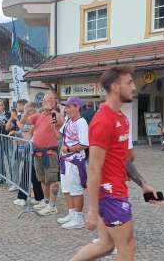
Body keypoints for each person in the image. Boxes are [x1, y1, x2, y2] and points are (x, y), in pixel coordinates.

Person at [71, 66, 138, 261]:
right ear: (116, 87)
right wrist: (92, 210)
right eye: (129, 82)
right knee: (127, 247)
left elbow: (123, 158)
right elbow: (93, 167)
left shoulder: (122, 118)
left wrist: (142, 184)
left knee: (106, 245)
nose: (134, 87)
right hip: (110, 194)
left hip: (116, 189)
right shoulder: (103, 121)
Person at [21, 92, 63, 216]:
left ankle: (52, 205)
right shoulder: (39, 115)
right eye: (44, 100)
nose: (45, 102)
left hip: (50, 152)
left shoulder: (55, 114)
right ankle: (46, 201)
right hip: (38, 152)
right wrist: (25, 111)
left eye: (49, 100)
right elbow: (24, 122)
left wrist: (52, 109)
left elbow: (58, 121)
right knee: (43, 179)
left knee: (53, 179)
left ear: (54, 102)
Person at [54, 96, 89, 230]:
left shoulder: (82, 122)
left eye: (69, 106)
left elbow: (85, 144)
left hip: (75, 160)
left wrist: (68, 149)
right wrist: (53, 126)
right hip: (65, 159)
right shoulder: (68, 120)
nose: (66, 109)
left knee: (76, 190)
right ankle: (71, 214)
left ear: (77, 107)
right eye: (66, 106)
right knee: (67, 188)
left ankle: (78, 218)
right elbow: (59, 136)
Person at [9, 102, 45, 206]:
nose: (25, 111)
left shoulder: (36, 118)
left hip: (35, 148)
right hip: (31, 148)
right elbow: (23, 125)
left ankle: (23, 197)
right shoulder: (31, 118)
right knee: (32, 174)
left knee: (29, 173)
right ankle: (39, 198)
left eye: (27, 109)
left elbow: (28, 130)